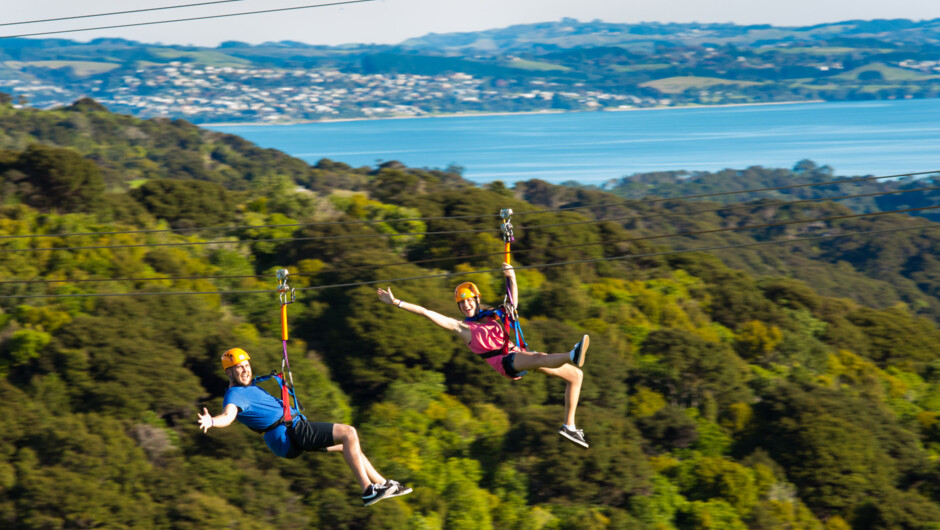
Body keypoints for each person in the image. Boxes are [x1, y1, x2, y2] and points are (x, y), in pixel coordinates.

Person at [376, 263, 591, 448]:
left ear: (477, 300)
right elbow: (426, 312)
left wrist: (512, 277)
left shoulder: (490, 318)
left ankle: (569, 426)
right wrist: (397, 303)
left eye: (469, 301)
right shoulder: (462, 328)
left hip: (515, 354)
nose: (466, 305)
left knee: (575, 376)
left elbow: (512, 305)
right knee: (539, 357)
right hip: (505, 362)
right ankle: (572, 353)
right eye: (462, 303)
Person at [197, 347, 412, 506]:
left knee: (350, 447)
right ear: (228, 373)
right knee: (349, 432)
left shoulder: (250, 387)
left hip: (288, 437)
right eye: (238, 368)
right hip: (291, 432)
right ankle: (367, 489)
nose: (245, 371)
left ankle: (384, 484)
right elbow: (228, 415)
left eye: (246, 366)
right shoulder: (234, 395)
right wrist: (212, 421)